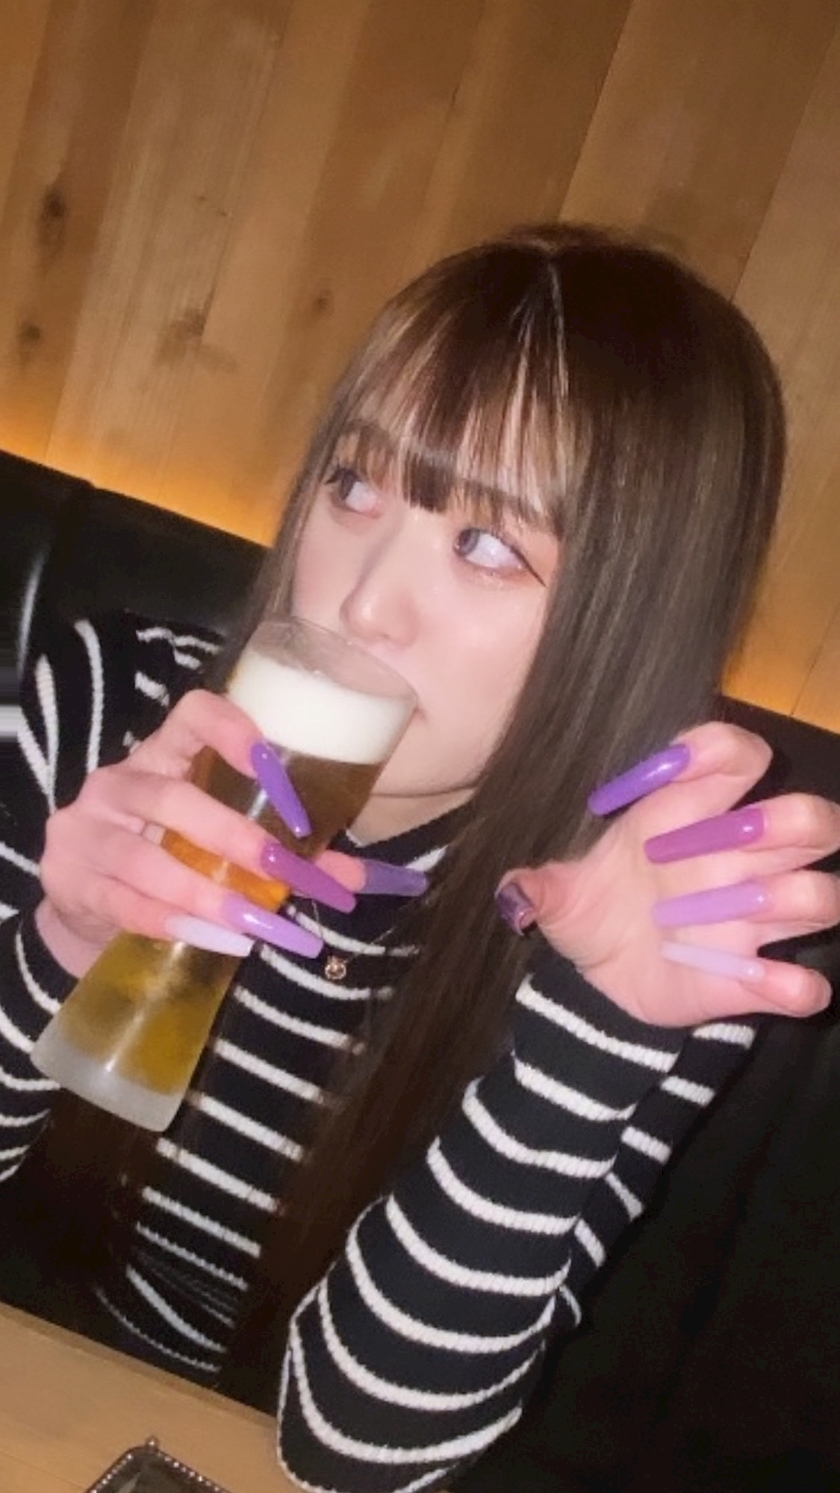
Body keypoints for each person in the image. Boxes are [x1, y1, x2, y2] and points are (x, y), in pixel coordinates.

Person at [1, 222, 839, 1493]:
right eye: (354, 485)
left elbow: (357, 1443)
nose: (361, 599)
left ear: (628, 617)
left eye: (488, 544)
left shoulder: (650, 925)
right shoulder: (115, 710)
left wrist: (595, 1028)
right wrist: (59, 939)